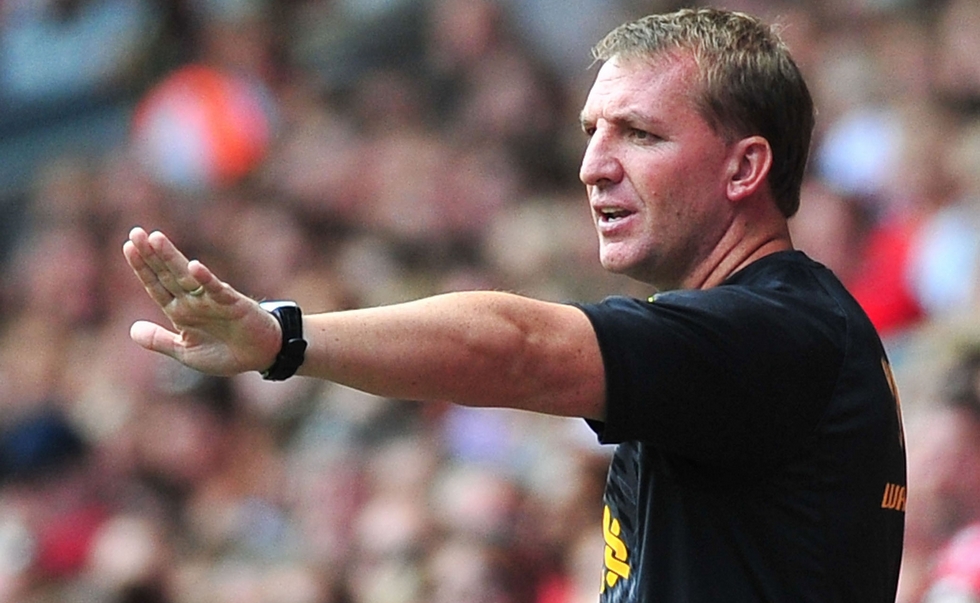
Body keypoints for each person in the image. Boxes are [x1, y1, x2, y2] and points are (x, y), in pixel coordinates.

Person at [123, 7, 906, 603]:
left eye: (638, 134)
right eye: (592, 132)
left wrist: (282, 339)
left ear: (744, 168)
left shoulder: (777, 330)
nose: (593, 166)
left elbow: (520, 347)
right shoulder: (752, 342)